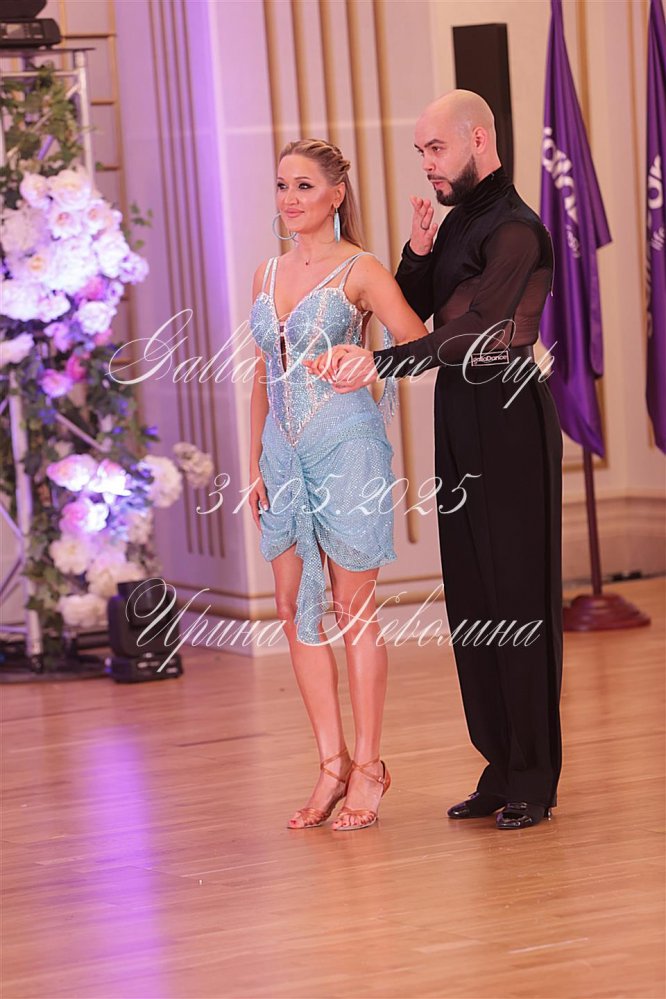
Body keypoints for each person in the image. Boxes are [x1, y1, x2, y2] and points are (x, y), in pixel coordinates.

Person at [307, 91, 563, 830]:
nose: (426, 163)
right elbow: (415, 308)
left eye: (435, 149)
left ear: (478, 139)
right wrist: (418, 252)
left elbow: (480, 330)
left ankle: (534, 777)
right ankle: (499, 764)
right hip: (459, 414)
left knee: (517, 601)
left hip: (509, 417)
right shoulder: (456, 224)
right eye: (421, 151)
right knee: (474, 600)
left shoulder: (517, 229)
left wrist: (382, 364)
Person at [248, 139, 428, 830]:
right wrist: (255, 462)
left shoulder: (362, 269)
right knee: (293, 607)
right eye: (282, 185)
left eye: (304, 185)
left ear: (336, 194)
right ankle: (331, 763)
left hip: (348, 446)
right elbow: (264, 371)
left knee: (354, 610)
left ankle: (371, 767)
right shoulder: (266, 272)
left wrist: (371, 359)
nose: (290, 198)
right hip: (282, 455)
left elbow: (417, 344)